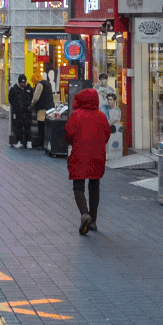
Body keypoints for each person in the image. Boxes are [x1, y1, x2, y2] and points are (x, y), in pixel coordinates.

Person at [64, 87, 112, 234]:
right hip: (97, 156)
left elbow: (68, 134)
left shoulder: (76, 115)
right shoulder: (101, 116)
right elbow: (107, 134)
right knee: (94, 186)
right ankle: (93, 221)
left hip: (80, 154)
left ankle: (85, 214)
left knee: (78, 186)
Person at [8, 75, 34, 148]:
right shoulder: (13, 89)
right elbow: (10, 99)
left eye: (24, 83)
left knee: (27, 127)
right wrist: (15, 106)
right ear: (19, 82)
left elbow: (32, 98)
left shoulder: (29, 89)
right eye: (21, 83)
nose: (23, 84)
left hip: (27, 111)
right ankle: (19, 142)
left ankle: (28, 142)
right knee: (18, 127)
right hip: (18, 112)